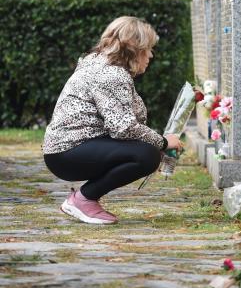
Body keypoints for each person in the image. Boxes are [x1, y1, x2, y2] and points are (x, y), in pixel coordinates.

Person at [42, 16, 183, 225]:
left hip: (67, 149)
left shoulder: (99, 64)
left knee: (146, 151)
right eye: (149, 49)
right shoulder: (111, 75)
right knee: (146, 155)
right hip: (67, 152)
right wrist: (162, 142)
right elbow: (123, 128)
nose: (151, 55)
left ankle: (84, 199)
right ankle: (82, 200)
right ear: (135, 49)